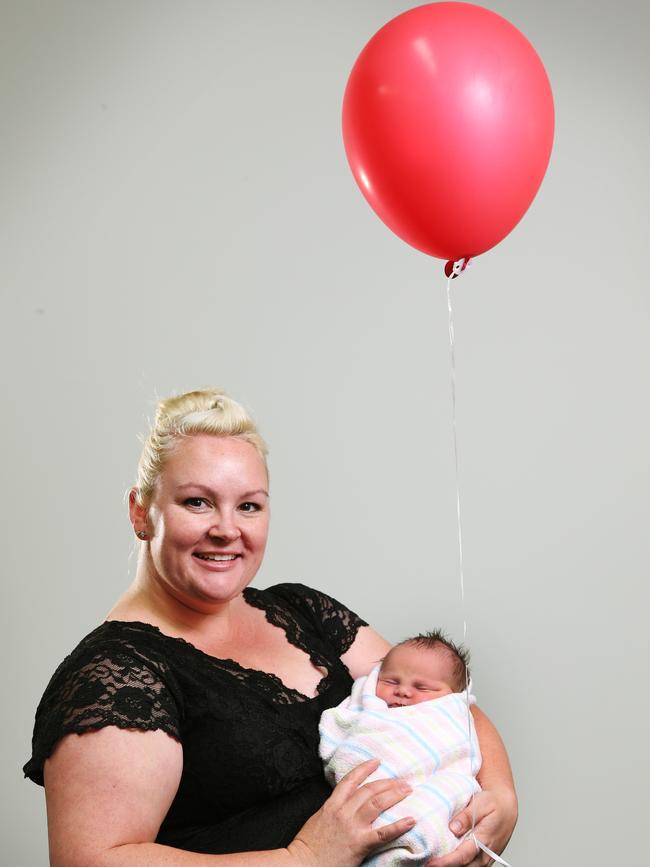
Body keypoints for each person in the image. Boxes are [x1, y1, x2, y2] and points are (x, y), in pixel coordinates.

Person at [23, 389, 517, 867]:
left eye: (249, 505)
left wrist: (500, 796)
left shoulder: (302, 610)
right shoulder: (116, 673)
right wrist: (302, 860)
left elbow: (447, 701)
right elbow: (91, 861)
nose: (227, 529)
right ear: (140, 511)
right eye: (197, 502)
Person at [320, 632, 506, 865]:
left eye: (422, 687)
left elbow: (457, 754)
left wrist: (503, 795)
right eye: (391, 681)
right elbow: (345, 733)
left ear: (451, 697)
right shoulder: (369, 708)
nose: (403, 691)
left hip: (426, 797)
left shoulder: (446, 717)